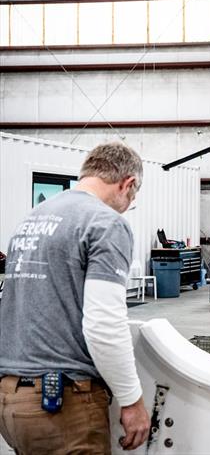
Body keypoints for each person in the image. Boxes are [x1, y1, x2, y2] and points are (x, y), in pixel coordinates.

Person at [0, 142, 150, 453]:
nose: (127, 205)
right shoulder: (105, 223)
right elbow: (104, 324)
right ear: (128, 184)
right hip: (61, 405)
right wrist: (132, 400)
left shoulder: (33, 218)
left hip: (10, 398)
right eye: (132, 198)